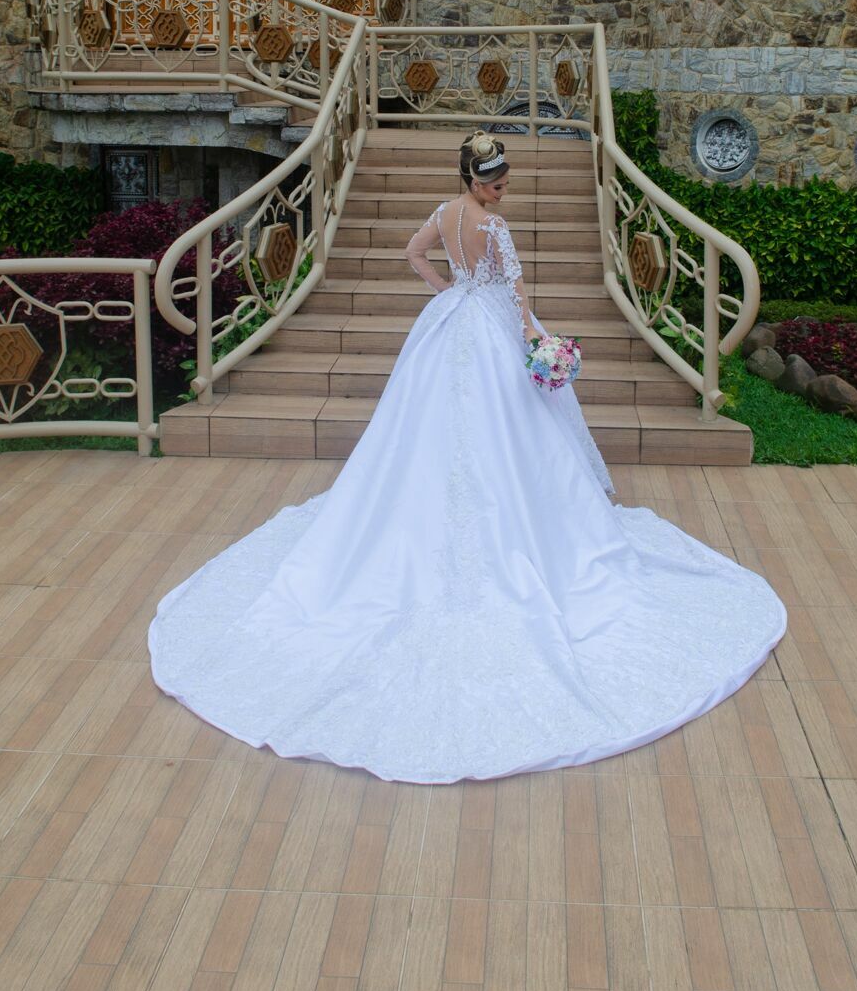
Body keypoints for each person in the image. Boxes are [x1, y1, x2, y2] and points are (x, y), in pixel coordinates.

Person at [148, 129, 787, 784]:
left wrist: (446, 291)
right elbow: (516, 299)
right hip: (487, 330)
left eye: (503, 179)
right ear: (474, 178)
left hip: (451, 323)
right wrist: (535, 336)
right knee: (498, 432)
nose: (500, 188)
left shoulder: (446, 215)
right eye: (492, 181)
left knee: (436, 431)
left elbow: (413, 254)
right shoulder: (497, 230)